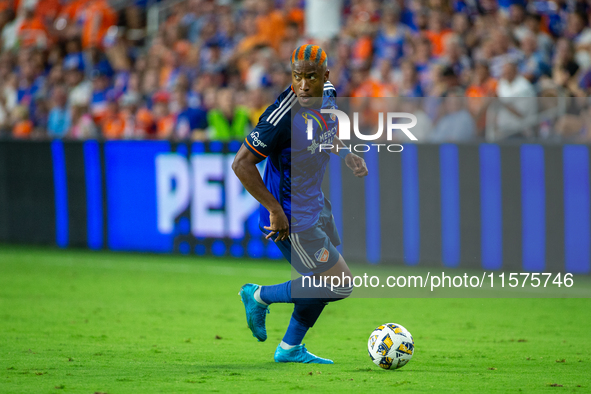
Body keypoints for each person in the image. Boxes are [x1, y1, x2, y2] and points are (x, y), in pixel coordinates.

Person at [232, 45, 368, 364]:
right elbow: (241, 164)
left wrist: (346, 154)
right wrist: (275, 211)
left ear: (325, 77)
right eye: (297, 76)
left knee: (323, 282)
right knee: (338, 284)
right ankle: (257, 295)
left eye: (310, 77)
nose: (303, 84)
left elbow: (324, 133)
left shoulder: (330, 95)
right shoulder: (280, 117)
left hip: (315, 205)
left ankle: (290, 348)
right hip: (292, 218)